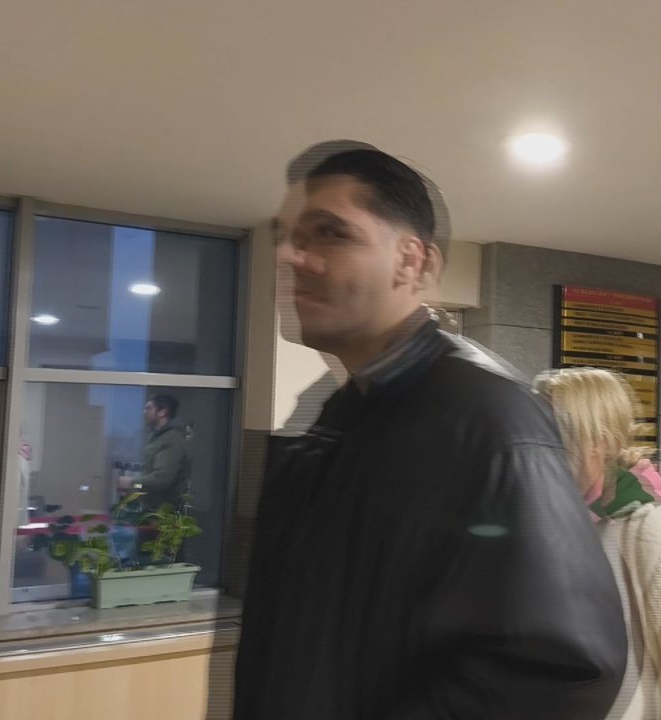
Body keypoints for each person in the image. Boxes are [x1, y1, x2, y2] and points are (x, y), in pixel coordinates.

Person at [234, 145, 627, 720]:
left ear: (412, 262)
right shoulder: (337, 415)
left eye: (331, 233)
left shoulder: (486, 415)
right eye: (289, 237)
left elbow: (562, 667)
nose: (293, 256)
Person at [535, 367, 661, 720]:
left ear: (599, 443)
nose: (538, 452)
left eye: (554, 437)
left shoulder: (648, 528)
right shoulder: (544, 525)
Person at [120, 393, 192, 512]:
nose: (144, 412)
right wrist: (133, 486)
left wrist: (131, 482)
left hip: (163, 513)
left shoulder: (172, 440)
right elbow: (148, 479)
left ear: (162, 412)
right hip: (150, 508)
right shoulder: (156, 437)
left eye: (148, 408)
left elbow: (161, 479)